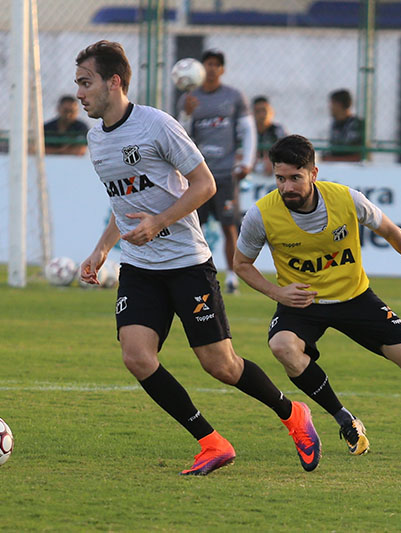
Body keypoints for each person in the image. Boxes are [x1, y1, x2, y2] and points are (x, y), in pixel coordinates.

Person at [75, 41, 320, 476]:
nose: (79, 93)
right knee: (136, 356)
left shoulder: (157, 125)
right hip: (139, 266)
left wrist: (160, 221)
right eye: (78, 83)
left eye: (86, 82)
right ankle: (211, 442)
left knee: (220, 364)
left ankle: (292, 414)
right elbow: (123, 204)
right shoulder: (96, 139)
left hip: (186, 263)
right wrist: (102, 247)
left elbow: (204, 185)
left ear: (114, 82)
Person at [233, 134, 401, 456]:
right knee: (282, 346)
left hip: (355, 297)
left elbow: (392, 232)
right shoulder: (262, 215)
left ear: (313, 173)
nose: (287, 187)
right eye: (280, 178)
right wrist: (277, 292)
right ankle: (345, 420)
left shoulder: (346, 200)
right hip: (303, 303)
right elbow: (241, 264)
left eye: (295, 178)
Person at [176, 50, 256, 293]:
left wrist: (247, 163)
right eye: (207, 64)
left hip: (224, 173)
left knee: (229, 225)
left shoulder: (233, 97)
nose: (210, 69)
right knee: (193, 227)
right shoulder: (189, 99)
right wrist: (186, 114)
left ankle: (232, 276)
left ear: (222, 69)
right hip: (198, 175)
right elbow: (180, 136)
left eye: (215, 65)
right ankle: (195, 273)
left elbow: (248, 130)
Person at [322, 89, 364, 162]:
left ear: (339, 105)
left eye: (332, 104)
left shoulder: (355, 125)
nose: (330, 107)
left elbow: (358, 156)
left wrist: (332, 159)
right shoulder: (335, 124)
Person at [252, 96, 287, 176]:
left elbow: (287, 151)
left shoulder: (278, 130)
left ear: (271, 112)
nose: (261, 115)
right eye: (257, 111)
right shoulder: (247, 131)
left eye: (264, 110)